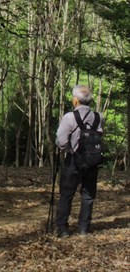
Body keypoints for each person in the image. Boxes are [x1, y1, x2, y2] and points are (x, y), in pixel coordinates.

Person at [55, 84, 103, 238]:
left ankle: (63, 229)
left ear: (75, 100)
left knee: (66, 194)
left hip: (73, 160)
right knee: (88, 195)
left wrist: (70, 147)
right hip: (93, 161)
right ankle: (83, 228)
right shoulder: (98, 117)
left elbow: (61, 142)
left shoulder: (69, 117)